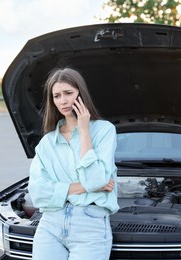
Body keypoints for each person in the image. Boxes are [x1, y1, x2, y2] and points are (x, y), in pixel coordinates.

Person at [28, 67, 119, 260]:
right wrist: (85, 187)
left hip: (90, 224)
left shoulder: (104, 131)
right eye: (57, 96)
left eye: (68, 93)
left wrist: (84, 130)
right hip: (50, 224)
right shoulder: (46, 143)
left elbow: (95, 179)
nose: (63, 100)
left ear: (80, 93)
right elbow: (38, 192)